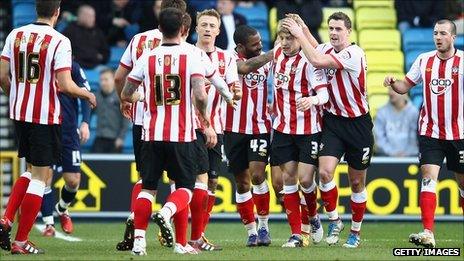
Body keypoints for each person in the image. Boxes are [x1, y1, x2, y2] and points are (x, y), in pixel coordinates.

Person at [113, 0, 236, 252]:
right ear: (184, 28)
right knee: (186, 186)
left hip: (150, 133)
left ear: (159, 26)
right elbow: (206, 91)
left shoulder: (147, 56)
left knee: (147, 188)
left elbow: (126, 91)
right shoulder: (192, 55)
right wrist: (216, 109)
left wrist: (139, 97)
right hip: (182, 134)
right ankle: (170, 218)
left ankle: (139, 242)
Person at [0, 0, 96, 254]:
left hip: (20, 114)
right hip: (45, 116)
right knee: (40, 178)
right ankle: (21, 241)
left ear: (36, 10)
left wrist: (16, 96)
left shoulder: (15, 34)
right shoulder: (59, 40)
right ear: (57, 12)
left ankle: (6, 219)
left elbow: (2, 75)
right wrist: (86, 94)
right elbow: (65, 84)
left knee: (31, 171)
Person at [282, 12, 373, 248]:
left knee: (356, 183)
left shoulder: (354, 53)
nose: (333, 32)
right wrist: (302, 24)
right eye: (331, 28)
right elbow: (314, 45)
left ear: (349, 32)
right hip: (333, 121)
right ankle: (334, 219)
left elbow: (316, 60)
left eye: (338, 29)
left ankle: (355, 231)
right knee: (324, 173)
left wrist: (298, 33)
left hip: (358, 124)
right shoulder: (327, 47)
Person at [384, 19, 463, 248]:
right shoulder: (424, 60)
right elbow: (404, 87)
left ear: (453, 37)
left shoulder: (463, 61)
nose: (438, 37)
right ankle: (428, 232)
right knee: (428, 179)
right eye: (436, 33)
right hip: (431, 132)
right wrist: (393, 82)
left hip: (459, 134)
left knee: (463, 186)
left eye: (443, 33)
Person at [272, 17, 328, 248]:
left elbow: (324, 95)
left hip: (309, 129)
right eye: (282, 38)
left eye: (289, 38)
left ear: (299, 38)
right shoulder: (276, 55)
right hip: (283, 128)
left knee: (306, 180)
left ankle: (313, 216)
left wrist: (311, 100)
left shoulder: (309, 62)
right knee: (288, 179)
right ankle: (296, 234)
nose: (284, 43)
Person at [188, 8, 240, 252]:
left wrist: (236, 92)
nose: (208, 29)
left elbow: (233, 88)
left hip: (216, 128)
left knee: (212, 182)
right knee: (190, 181)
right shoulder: (186, 53)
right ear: (196, 28)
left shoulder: (227, 58)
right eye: (204, 25)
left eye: (212, 26)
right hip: (188, 126)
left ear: (219, 31)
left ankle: (199, 233)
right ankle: (186, 234)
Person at [224, 25, 274, 247]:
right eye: (255, 44)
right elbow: (243, 69)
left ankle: (263, 226)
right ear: (241, 46)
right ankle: (251, 231)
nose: (260, 46)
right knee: (242, 183)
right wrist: (273, 53)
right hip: (233, 129)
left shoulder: (266, 59)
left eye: (261, 41)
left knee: (257, 176)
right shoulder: (227, 58)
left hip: (260, 127)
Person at [41, 61, 91, 237]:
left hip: (69, 132)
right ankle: (48, 224)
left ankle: (62, 209)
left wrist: (85, 122)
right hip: (46, 128)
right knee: (44, 177)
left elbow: (86, 94)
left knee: (73, 180)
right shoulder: (43, 64)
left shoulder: (73, 67)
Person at [91, 68, 130, 153]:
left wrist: (121, 137)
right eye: (101, 80)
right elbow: (89, 113)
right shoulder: (95, 97)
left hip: (115, 139)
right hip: (100, 137)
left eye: (106, 79)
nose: (103, 82)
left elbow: (126, 119)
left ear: (113, 80)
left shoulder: (120, 97)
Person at [374, 88, 419, 157]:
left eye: (395, 90)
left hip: (411, 156)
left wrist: (406, 154)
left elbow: (414, 139)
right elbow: (379, 139)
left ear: (405, 93)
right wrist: (393, 153)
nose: (391, 93)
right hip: (386, 156)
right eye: (390, 90)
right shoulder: (381, 112)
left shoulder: (414, 112)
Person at [62, 4, 109, 69]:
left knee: (107, 73)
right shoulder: (70, 30)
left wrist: (101, 57)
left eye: (93, 16)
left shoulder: (97, 31)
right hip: (76, 66)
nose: (93, 19)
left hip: (96, 66)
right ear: (81, 16)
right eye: (90, 16)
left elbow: (106, 52)